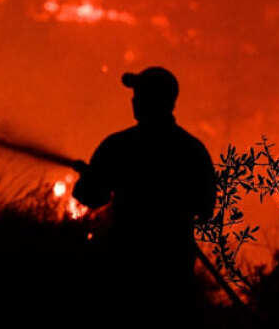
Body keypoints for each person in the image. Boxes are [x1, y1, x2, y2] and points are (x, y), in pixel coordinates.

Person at [72, 67, 216, 315]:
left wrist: (92, 176)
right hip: (174, 272)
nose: (134, 99)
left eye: (139, 94)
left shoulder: (119, 146)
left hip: (123, 267)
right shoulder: (192, 151)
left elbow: (90, 196)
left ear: (152, 100)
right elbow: (205, 210)